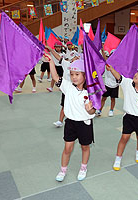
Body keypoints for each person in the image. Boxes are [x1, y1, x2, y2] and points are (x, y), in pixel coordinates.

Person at [45, 53, 96, 182]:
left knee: (85, 147)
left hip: (84, 123)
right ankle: (63, 170)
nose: (73, 77)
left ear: (85, 75)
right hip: (70, 123)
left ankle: (83, 167)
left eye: (77, 74)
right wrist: (51, 61)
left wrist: (90, 110)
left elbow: (92, 112)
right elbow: (55, 76)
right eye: (72, 74)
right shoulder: (67, 87)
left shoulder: (90, 92)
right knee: (67, 148)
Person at [105, 64, 138, 171]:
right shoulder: (127, 83)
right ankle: (118, 158)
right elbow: (118, 77)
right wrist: (112, 69)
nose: (137, 75)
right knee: (124, 138)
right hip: (128, 117)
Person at [45, 45, 80, 128]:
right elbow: (57, 57)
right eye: (74, 57)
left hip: (77, 91)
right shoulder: (66, 64)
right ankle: (60, 121)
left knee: (75, 106)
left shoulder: (81, 68)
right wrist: (50, 49)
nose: (75, 58)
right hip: (66, 89)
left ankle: (74, 119)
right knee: (64, 105)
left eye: (77, 57)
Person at [96, 50, 119, 117]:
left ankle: (111, 110)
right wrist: (102, 49)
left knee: (113, 99)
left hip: (115, 85)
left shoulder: (118, 64)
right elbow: (104, 56)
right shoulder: (107, 62)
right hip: (107, 85)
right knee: (104, 98)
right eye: (111, 55)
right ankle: (99, 110)